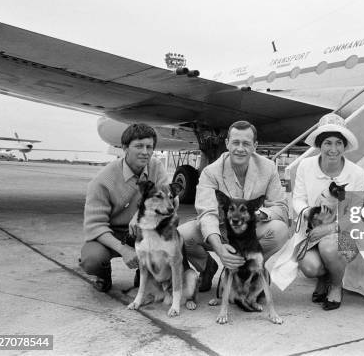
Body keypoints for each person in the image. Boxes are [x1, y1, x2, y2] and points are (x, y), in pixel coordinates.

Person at [178, 120, 289, 292]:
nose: (240, 148)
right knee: (181, 236)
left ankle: (252, 267)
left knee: (280, 229)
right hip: (222, 230)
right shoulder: (210, 172)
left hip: (250, 231)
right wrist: (220, 250)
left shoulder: (268, 168)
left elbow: (280, 207)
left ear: (255, 146)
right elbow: (207, 214)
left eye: (246, 143)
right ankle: (207, 267)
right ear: (227, 143)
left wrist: (259, 214)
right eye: (235, 142)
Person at [79, 123, 169, 292]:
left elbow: (170, 201)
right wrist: (123, 249)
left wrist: (141, 214)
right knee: (92, 260)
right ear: (125, 148)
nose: (145, 152)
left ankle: (144, 271)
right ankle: (103, 274)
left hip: (141, 229)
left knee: (170, 240)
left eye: (149, 147)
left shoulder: (156, 167)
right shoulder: (102, 181)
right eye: (139, 146)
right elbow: (94, 226)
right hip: (111, 232)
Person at [292, 113, 364, 310]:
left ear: (344, 146)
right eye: (327, 143)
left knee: (329, 247)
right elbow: (297, 199)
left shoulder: (357, 173)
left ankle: (335, 285)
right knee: (309, 267)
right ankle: (324, 277)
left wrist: (330, 228)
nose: (333, 149)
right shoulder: (305, 166)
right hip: (312, 231)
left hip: (346, 237)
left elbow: (354, 215)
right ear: (319, 145)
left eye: (338, 143)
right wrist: (309, 213)